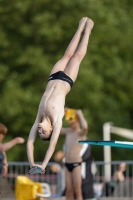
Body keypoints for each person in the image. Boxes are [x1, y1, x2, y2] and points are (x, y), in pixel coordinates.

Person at [27, 17, 94, 175]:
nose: (39, 130)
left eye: (39, 133)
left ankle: (80, 28)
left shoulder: (39, 116)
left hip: (53, 77)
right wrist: (43, 165)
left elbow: (30, 143)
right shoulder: (57, 120)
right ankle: (88, 30)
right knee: (76, 57)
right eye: (44, 132)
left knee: (67, 53)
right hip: (66, 81)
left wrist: (32, 163)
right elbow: (53, 144)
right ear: (51, 129)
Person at [60, 108, 89, 200]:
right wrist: (61, 112)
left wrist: (80, 114)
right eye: (70, 122)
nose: (71, 123)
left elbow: (85, 127)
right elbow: (56, 128)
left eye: (73, 122)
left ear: (78, 121)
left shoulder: (80, 133)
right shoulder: (68, 131)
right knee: (69, 190)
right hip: (67, 164)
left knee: (77, 191)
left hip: (76, 164)